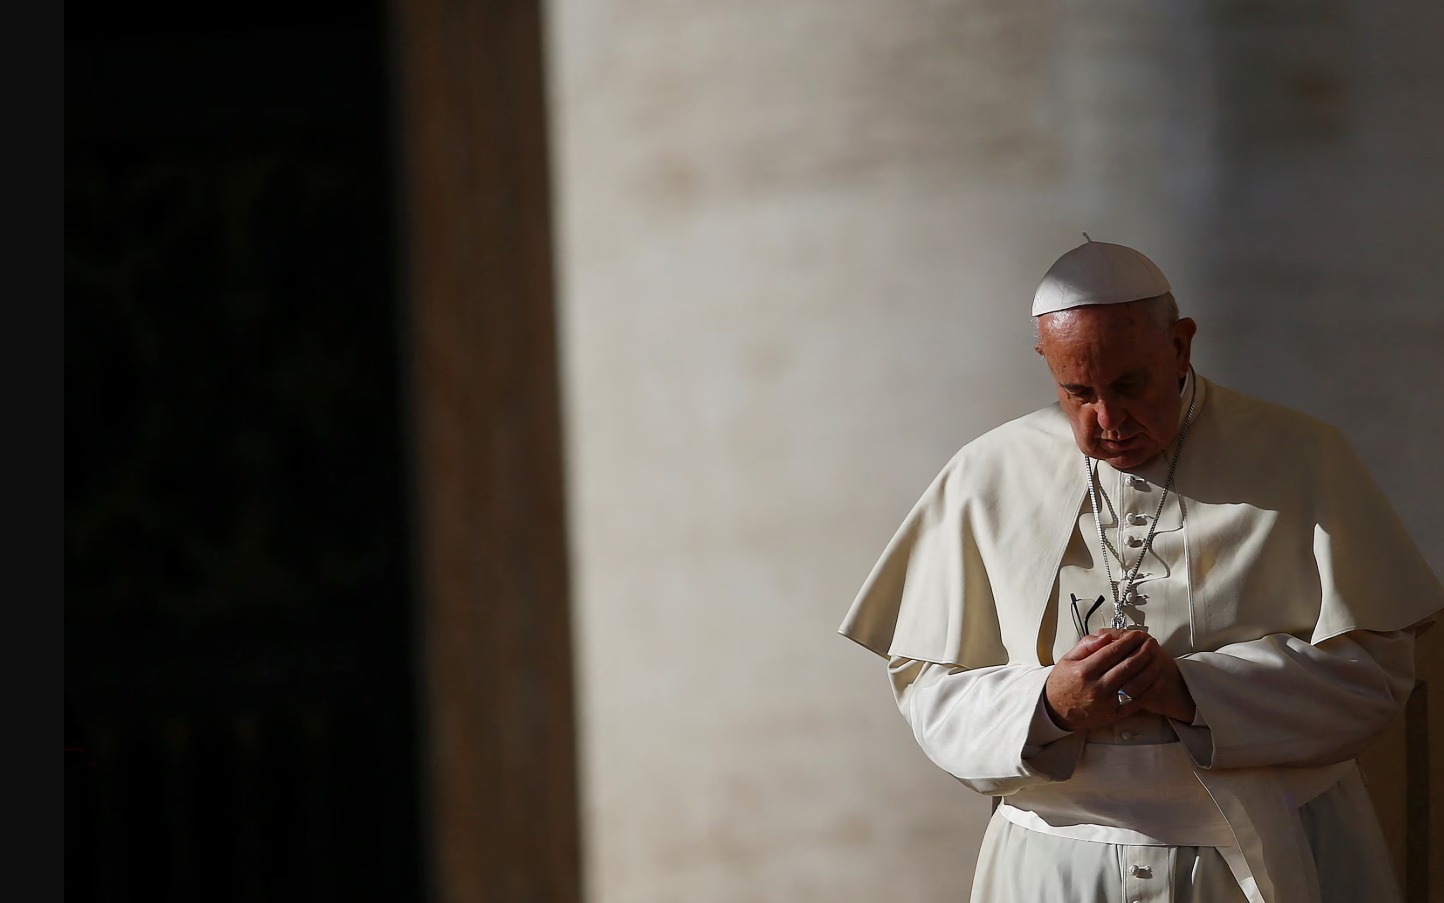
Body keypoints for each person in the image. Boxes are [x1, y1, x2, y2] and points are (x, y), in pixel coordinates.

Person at [838, 238, 1444, 903]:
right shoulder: (987, 476)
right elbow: (931, 691)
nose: (1108, 419)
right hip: (1059, 864)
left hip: (1263, 850)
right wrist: (1048, 704)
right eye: (1078, 392)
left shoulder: (1301, 455)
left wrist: (1194, 691)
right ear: (1046, 363)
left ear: (1180, 346)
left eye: (1129, 385)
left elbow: (1374, 675)